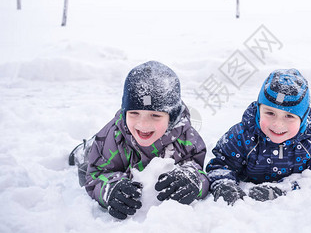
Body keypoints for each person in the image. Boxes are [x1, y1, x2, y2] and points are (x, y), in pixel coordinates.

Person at [69, 61, 209, 219]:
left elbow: (198, 170)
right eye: (134, 113)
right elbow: (95, 175)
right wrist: (109, 189)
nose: (143, 124)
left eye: (155, 115)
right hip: (100, 151)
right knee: (85, 165)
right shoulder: (113, 137)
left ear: (172, 117)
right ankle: (84, 149)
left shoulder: (187, 138)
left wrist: (192, 180)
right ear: (124, 112)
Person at [206, 68, 311, 205]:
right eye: (270, 113)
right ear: (259, 110)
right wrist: (224, 185)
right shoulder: (242, 136)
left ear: (302, 118)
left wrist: (283, 190)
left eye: (289, 116)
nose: (278, 124)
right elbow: (221, 164)